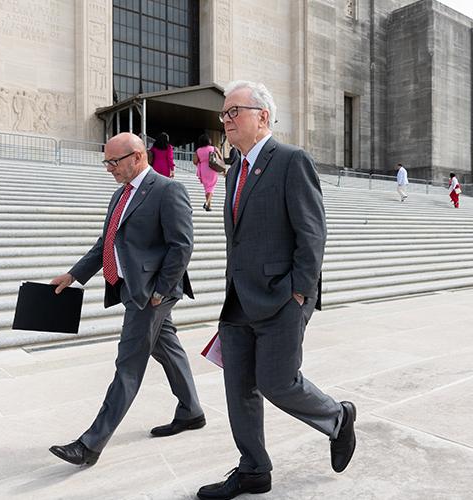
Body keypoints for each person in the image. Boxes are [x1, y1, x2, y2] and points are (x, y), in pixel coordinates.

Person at [197, 81, 356, 500]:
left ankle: (337, 418)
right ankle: (253, 469)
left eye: (235, 112)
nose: (226, 120)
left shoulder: (290, 161)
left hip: (281, 298)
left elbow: (312, 233)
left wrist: (299, 294)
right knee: (239, 389)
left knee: (278, 382)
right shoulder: (235, 171)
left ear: (262, 116)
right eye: (224, 114)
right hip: (238, 301)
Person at [47, 133, 203, 466]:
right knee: (168, 348)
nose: (108, 169)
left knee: (128, 365)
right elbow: (107, 242)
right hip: (132, 288)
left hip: (150, 295)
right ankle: (191, 411)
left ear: (137, 156)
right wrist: (74, 275)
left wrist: (160, 291)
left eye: (113, 162)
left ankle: (90, 444)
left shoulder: (167, 190)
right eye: (106, 162)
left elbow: (182, 246)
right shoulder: (121, 195)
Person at [194, 134, 221, 211]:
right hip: (212, 168)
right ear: (209, 141)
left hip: (203, 169)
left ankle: (208, 206)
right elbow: (221, 158)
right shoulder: (214, 148)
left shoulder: (198, 150)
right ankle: (206, 202)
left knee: (207, 188)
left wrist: (202, 161)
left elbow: (195, 161)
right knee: (211, 187)